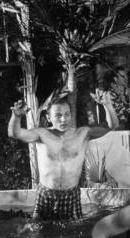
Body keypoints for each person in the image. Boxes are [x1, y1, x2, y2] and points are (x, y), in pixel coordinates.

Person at [8, 90, 118, 220]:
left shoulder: (83, 134)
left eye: (67, 114)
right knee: (40, 231)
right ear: (49, 118)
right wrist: (16, 116)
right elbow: (14, 133)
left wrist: (107, 104)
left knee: (71, 233)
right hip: (46, 194)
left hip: (71, 194)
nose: (63, 119)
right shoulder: (41, 134)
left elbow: (113, 126)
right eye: (58, 115)